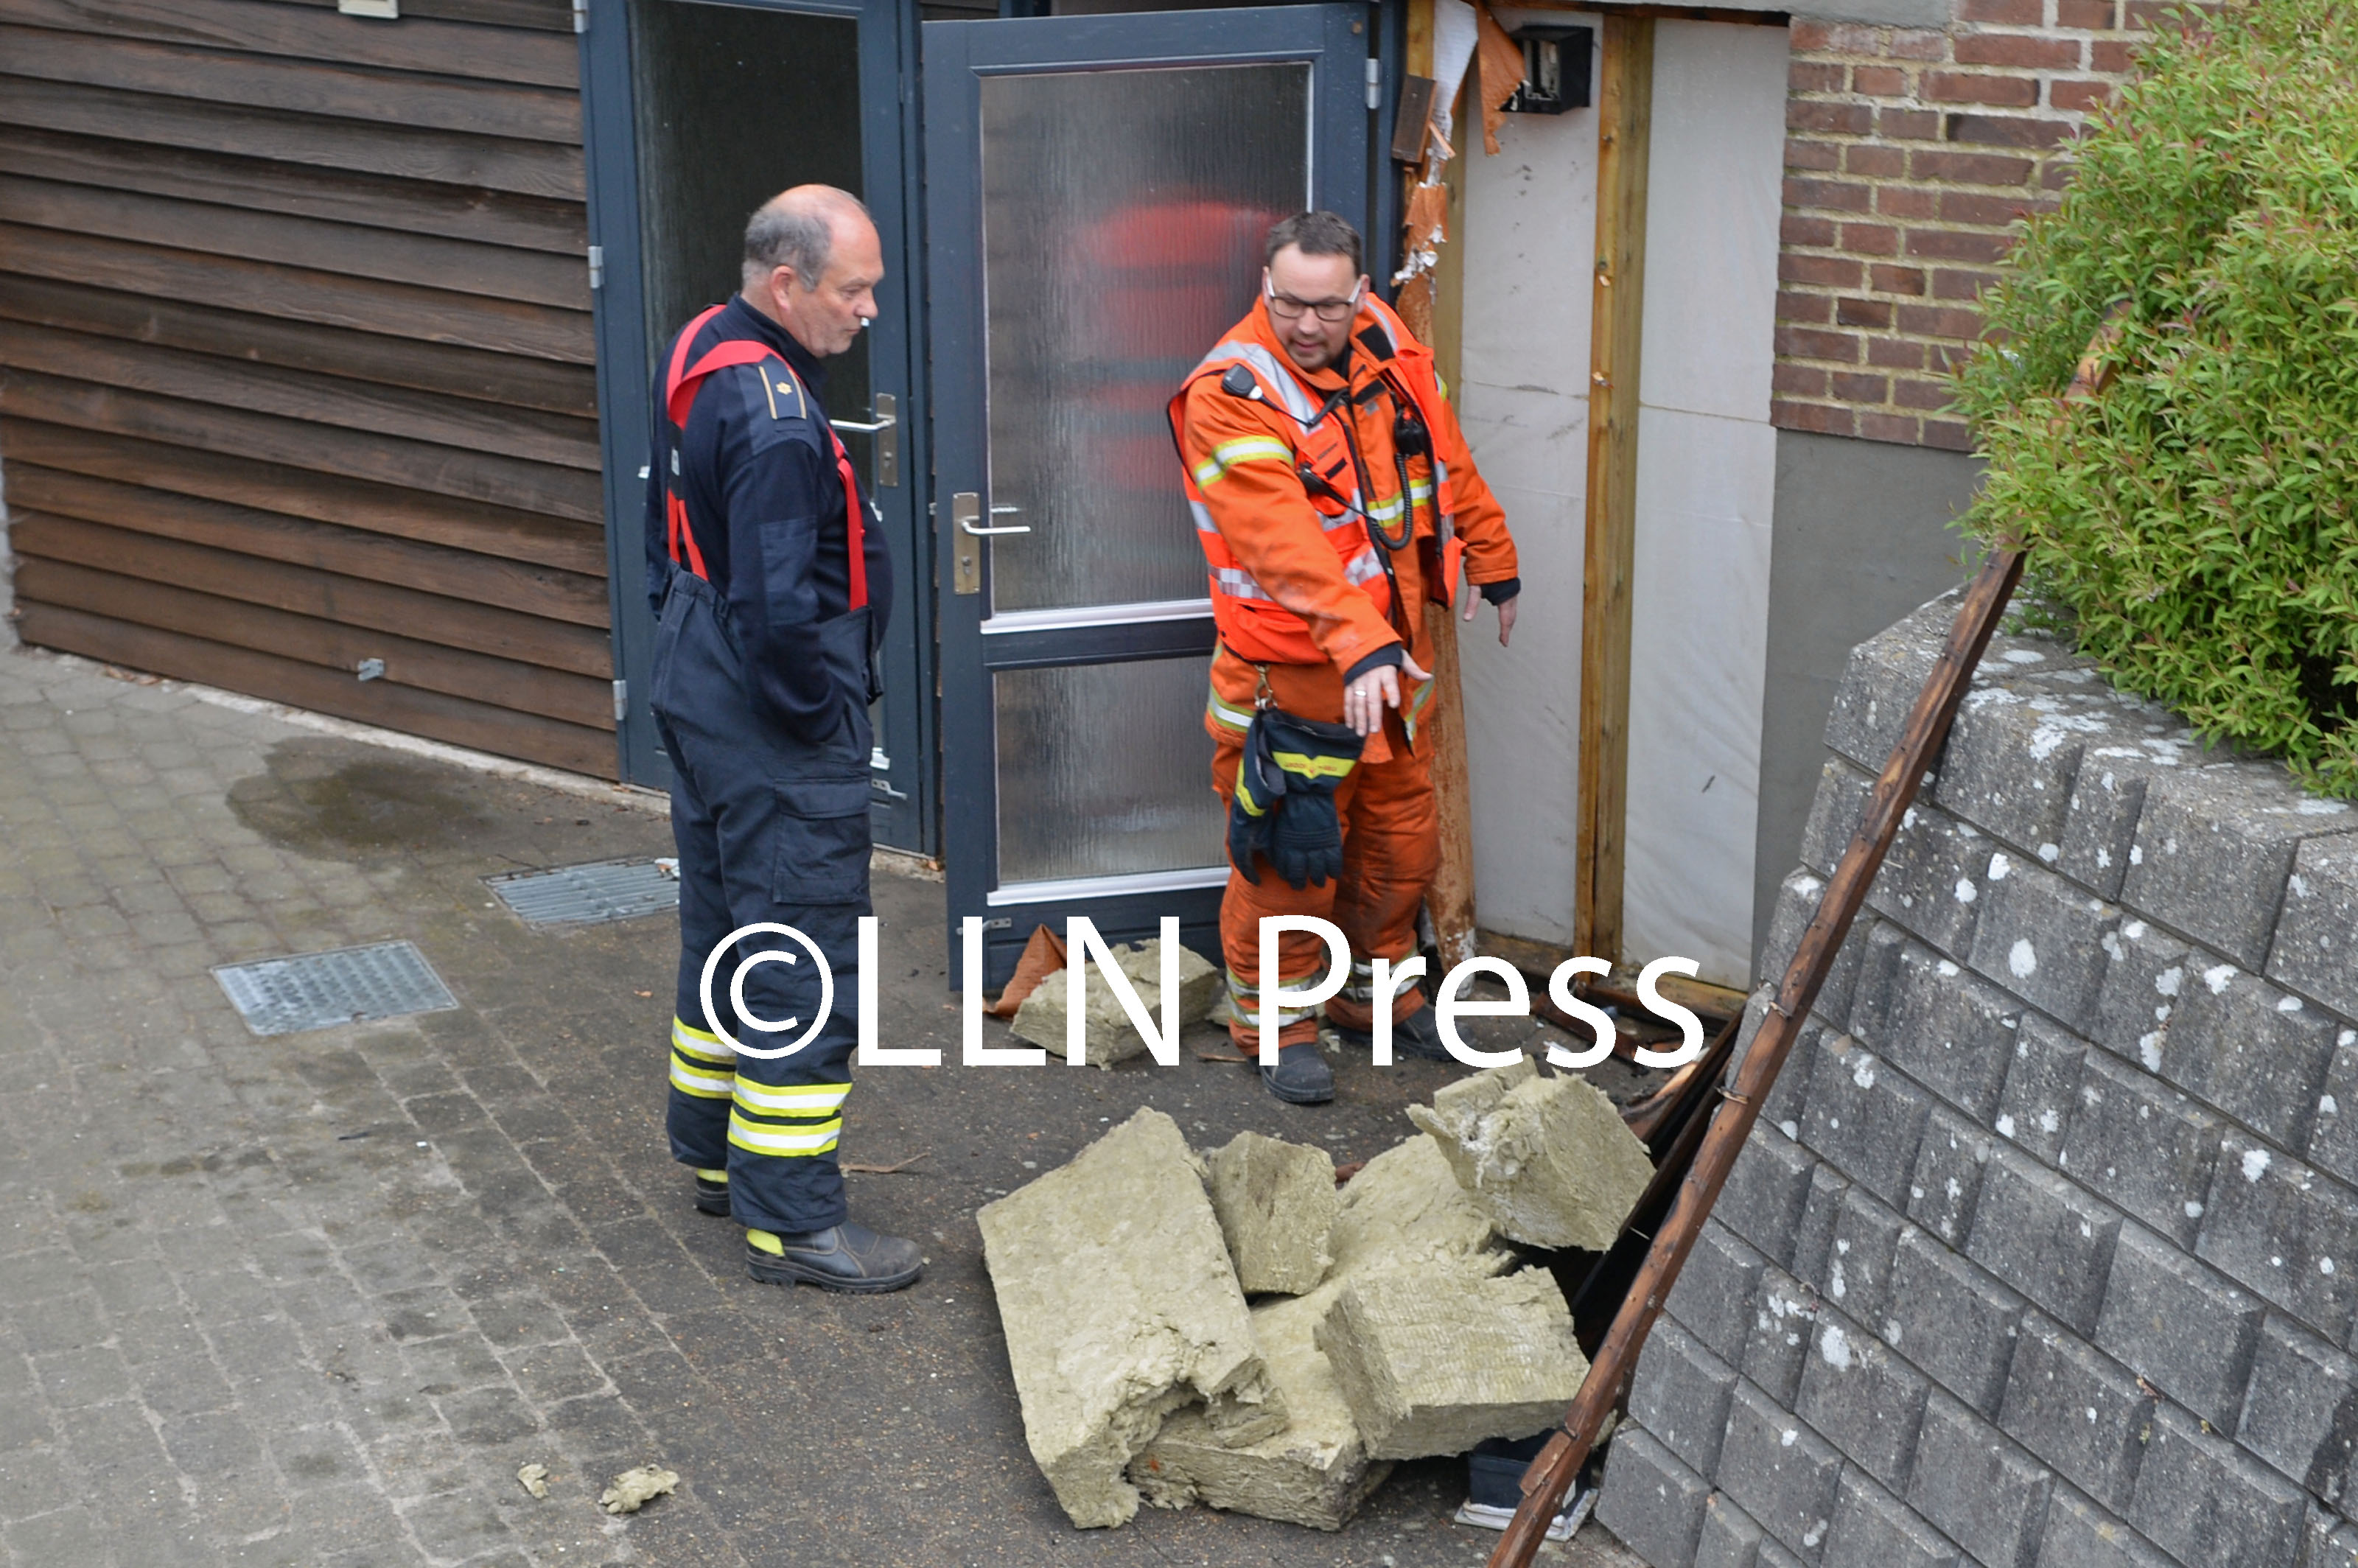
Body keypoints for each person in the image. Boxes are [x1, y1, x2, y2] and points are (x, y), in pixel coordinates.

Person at [1170, 211, 1521, 1105]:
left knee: (1399, 843)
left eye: (1326, 306)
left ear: (1358, 295)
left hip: (1387, 668)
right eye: (1289, 303)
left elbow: (1443, 460)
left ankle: (1381, 999)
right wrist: (1360, 643)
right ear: (1264, 288)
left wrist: (1492, 555)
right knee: (1292, 855)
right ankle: (1278, 1027)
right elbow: (1281, 542)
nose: (1307, 325)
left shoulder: (1385, 351)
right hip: (1290, 675)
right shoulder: (1232, 391)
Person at [646, 186, 920, 1292]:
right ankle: (795, 1223)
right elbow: (776, 609)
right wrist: (824, 726)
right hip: (769, 719)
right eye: (853, 292)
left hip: (697, 677)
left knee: (725, 930)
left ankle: (714, 1154)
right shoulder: (773, 416)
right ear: (786, 284)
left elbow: (677, 537)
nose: (867, 314)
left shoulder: (705, 347)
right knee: (803, 957)